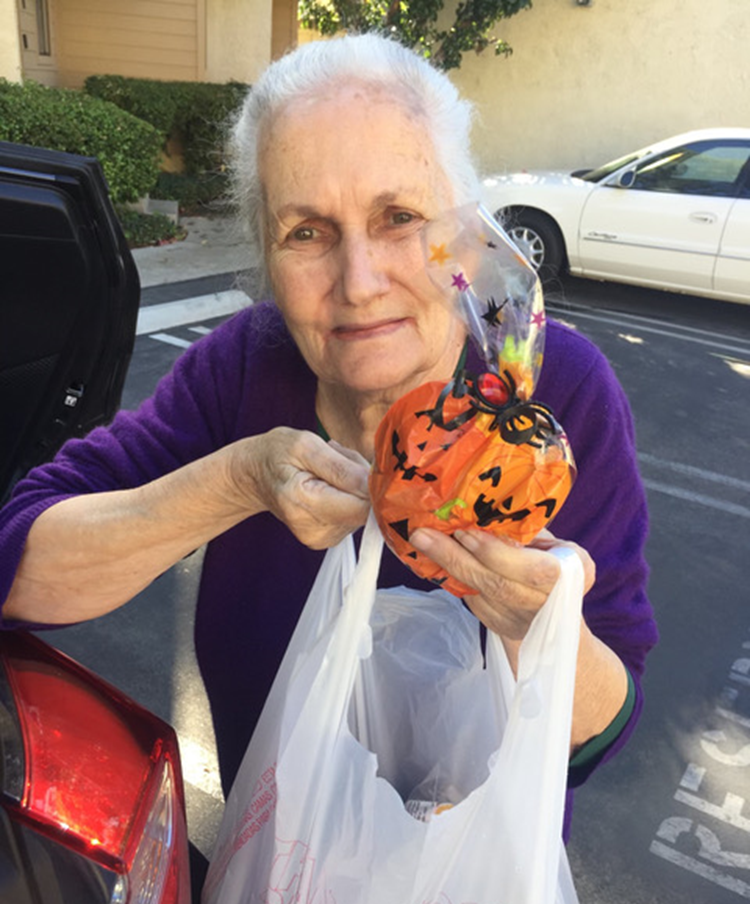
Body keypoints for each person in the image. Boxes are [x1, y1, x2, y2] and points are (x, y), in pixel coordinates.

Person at [0, 33, 657, 841]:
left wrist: (547, 635)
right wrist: (235, 481)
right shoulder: (243, 370)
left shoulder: (560, 401)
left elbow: (608, 727)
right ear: (267, 260)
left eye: (400, 218)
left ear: (465, 230)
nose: (358, 280)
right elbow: (18, 567)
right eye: (306, 232)